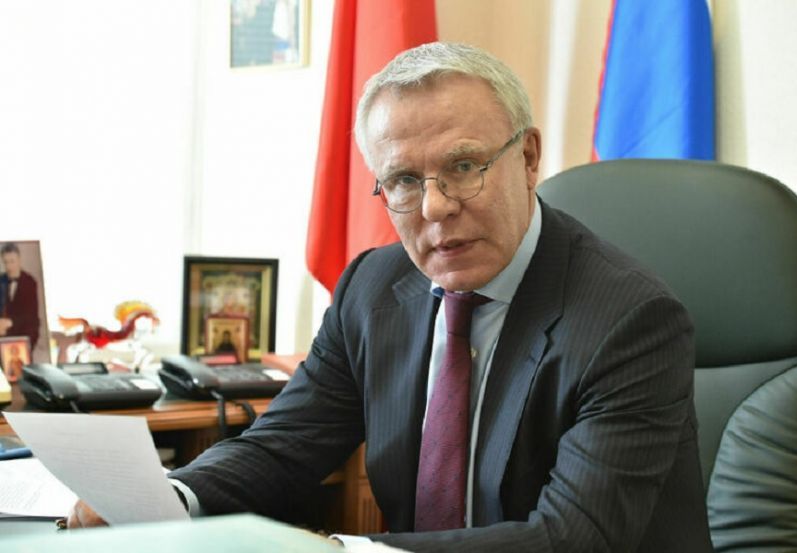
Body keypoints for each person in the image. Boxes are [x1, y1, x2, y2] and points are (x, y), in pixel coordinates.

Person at [69, 43, 713, 552]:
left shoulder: (629, 321)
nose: (434, 207)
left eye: (464, 167)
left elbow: (574, 539)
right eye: (403, 180)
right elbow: (282, 447)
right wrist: (169, 500)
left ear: (528, 157)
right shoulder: (373, 288)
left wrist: (345, 551)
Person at [0, 243, 41, 350]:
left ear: (19, 260)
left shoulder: (30, 282)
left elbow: (31, 316)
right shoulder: (1, 280)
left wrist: (10, 322)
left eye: (12, 261)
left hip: (23, 334)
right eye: (6, 262)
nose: (9, 266)